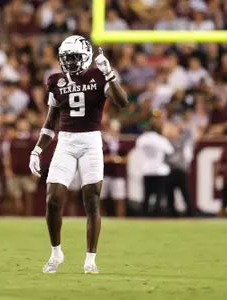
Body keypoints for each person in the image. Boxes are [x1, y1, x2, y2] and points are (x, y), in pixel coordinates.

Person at [28, 35, 128, 274]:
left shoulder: (98, 75)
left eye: (73, 58)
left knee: (91, 200)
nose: (69, 63)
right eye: (66, 58)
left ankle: (90, 259)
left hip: (91, 140)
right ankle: (56, 253)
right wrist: (37, 149)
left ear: (84, 57)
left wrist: (110, 74)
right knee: (52, 198)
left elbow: (122, 102)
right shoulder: (55, 81)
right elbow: (51, 121)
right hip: (66, 142)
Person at [135, 116, 174, 217]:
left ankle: (145, 215)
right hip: (159, 170)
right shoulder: (160, 139)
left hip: (147, 170)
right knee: (159, 195)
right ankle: (156, 215)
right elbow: (170, 151)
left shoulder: (142, 138)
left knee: (147, 196)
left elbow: (138, 147)